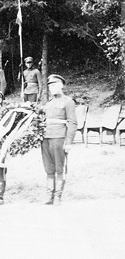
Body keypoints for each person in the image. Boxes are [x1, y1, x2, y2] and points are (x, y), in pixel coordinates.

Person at [41, 74, 77, 206]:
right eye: (50, 85)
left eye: (54, 85)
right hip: (45, 139)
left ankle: (58, 196)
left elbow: (72, 123)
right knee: (48, 168)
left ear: (61, 85)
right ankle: (49, 195)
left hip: (59, 138)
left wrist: (68, 143)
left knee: (59, 168)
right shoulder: (48, 104)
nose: (51, 88)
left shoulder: (68, 102)